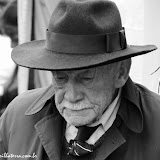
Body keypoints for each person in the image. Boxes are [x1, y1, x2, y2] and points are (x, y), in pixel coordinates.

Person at [0, 0, 159, 159]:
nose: (72, 96)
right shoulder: (17, 117)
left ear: (121, 72)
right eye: (60, 77)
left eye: (87, 77)